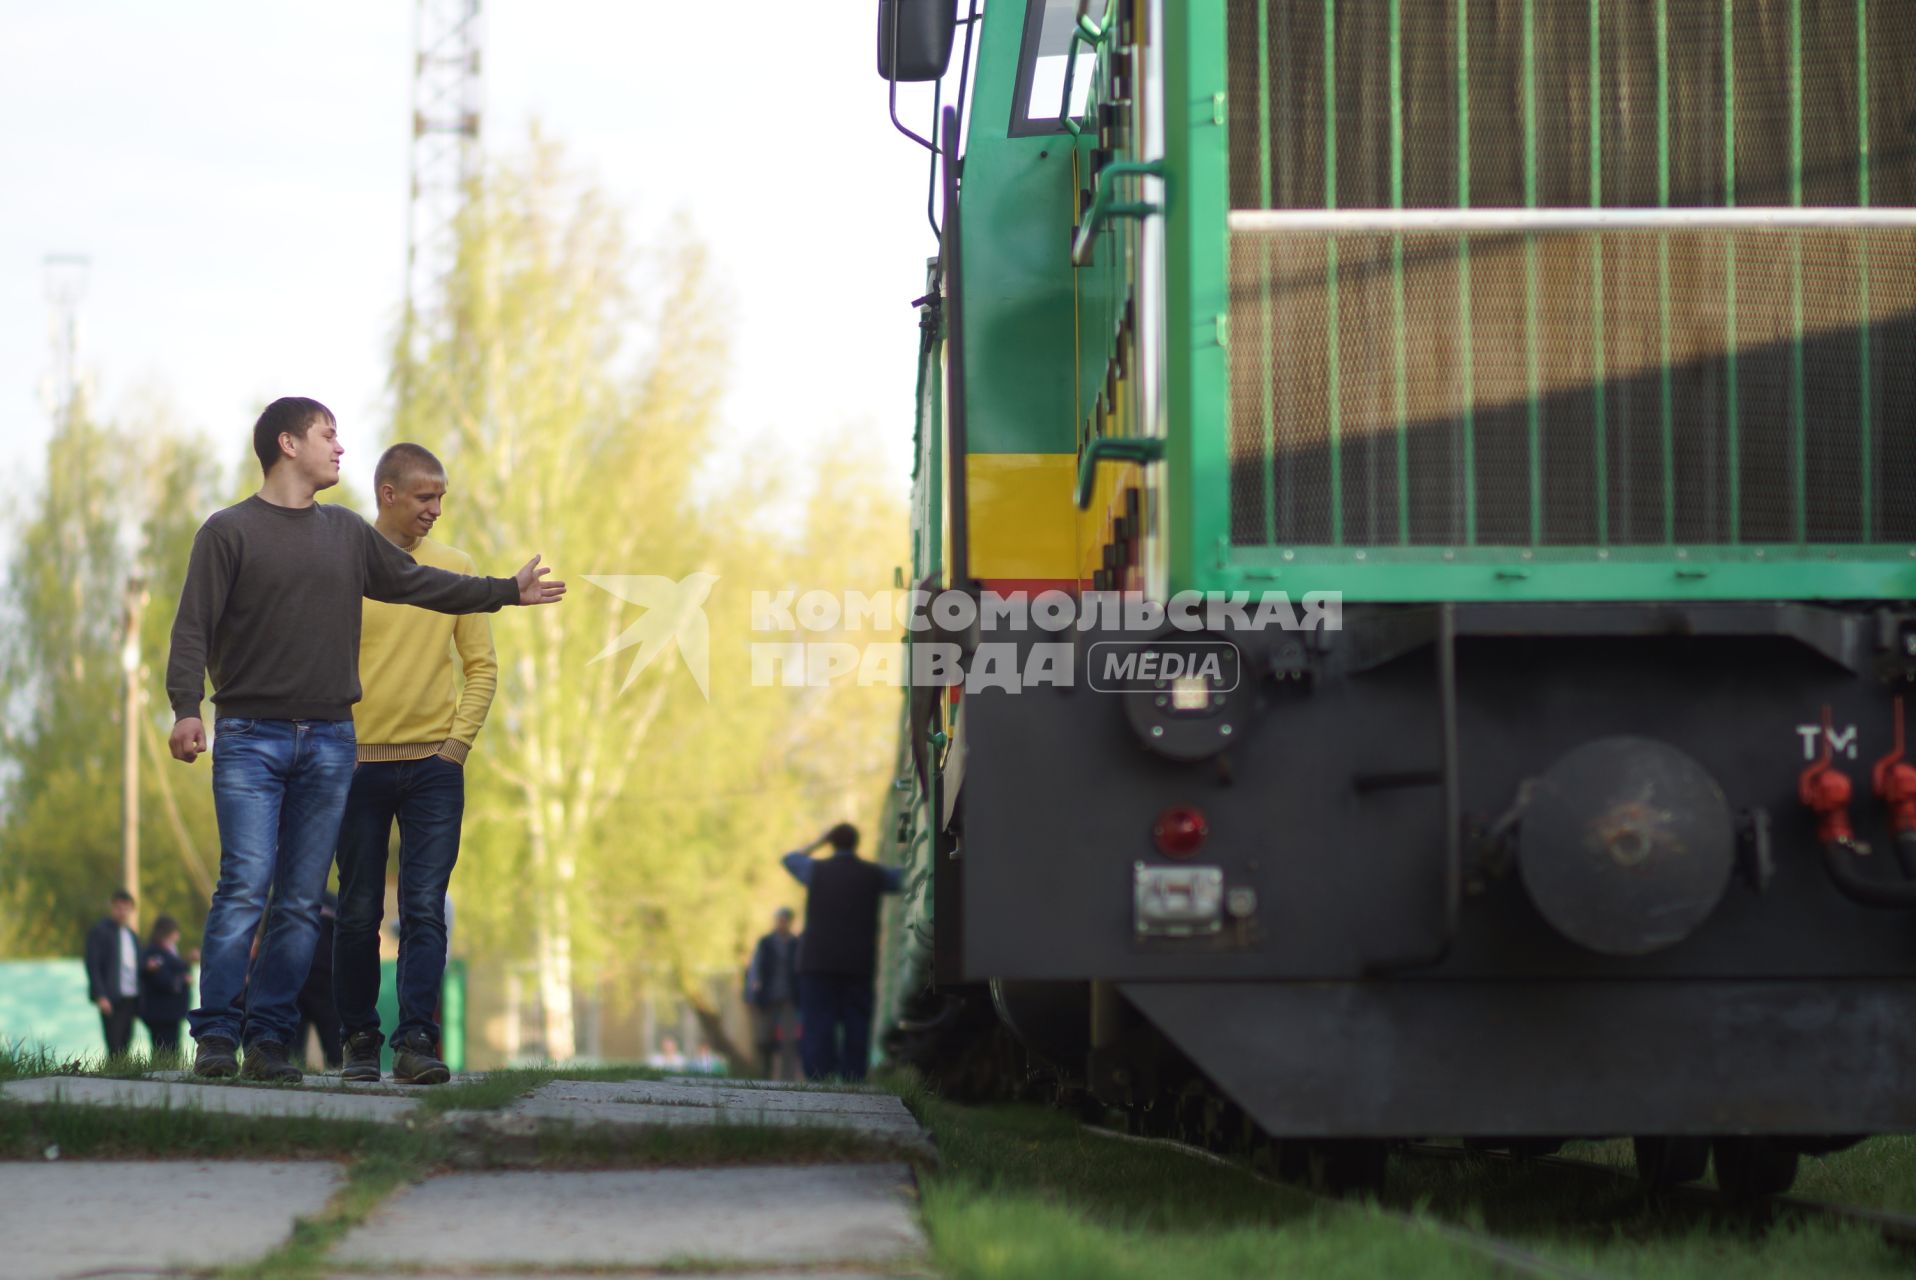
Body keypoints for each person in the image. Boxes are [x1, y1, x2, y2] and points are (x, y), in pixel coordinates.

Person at [164, 396, 565, 1084]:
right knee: (244, 886)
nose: (340, 448)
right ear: (288, 444)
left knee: (298, 899)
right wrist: (185, 706)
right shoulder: (227, 532)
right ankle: (217, 1038)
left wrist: (503, 591)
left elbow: (418, 583)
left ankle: (268, 1043)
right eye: (328, 435)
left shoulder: (347, 534)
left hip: (329, 740)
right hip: (250, 737)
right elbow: (193, 625)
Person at [333, 444, 493, 1086]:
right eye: (424, 496)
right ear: (388, 493)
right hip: (352, 769)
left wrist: (456, 745)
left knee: (425, 907)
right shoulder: (345, 566)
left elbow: (481, 665)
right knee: (357, 910)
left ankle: (416, 1042)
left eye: (441, 497)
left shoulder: (456, 568)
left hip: (433, 767)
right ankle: (358, 1041)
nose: (435, 509)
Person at [779, 824, 902, 1082]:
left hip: (817, 962)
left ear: (832, 843)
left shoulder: (816, 871)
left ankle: (818, 1077)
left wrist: (817, 842)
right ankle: (853, 1078)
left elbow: (789, 859)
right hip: (857, 962)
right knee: (856, 1022)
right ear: (856, 843)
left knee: (817, 1022)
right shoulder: (873, 874)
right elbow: (904, 878)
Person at [744, 907, 802, 1081]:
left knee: (789, 1040)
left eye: (785, 920)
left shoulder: (795, 944)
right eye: (780, 919)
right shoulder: (766, 943)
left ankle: (788, 1078)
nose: (782, 923)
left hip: (790, 997)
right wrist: (751, 993)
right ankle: (764, 1075)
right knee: (765, 1038)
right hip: (768, 997)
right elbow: (755, 969)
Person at [83, 890, 141, 1057]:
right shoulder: (100, 932)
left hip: (131, 997)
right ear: (112, 908)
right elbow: (93, 965)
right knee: (114, 1045)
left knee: (126, 1041)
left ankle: (124, 1078)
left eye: (126, 908)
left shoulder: (132, 935)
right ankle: (113, 1079)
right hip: (112, 997)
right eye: (118, 908)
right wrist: (101, 995)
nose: (122, 912)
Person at [294, 893, 343, 1069]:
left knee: (333, 1040)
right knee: (293, 1042)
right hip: (295, 979)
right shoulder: (285, 895)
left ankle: (338, 1069)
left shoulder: (332, 900)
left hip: (325, 978)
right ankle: (291, 1066)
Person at [138, 915, 195, 1058]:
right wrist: (182, 980)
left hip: (170, 1012)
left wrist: (187, 963)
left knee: (171, 1048)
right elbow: (162, 979)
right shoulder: (155, 952)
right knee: (164, 1050)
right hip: (161, 1012)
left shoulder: (168, 951)